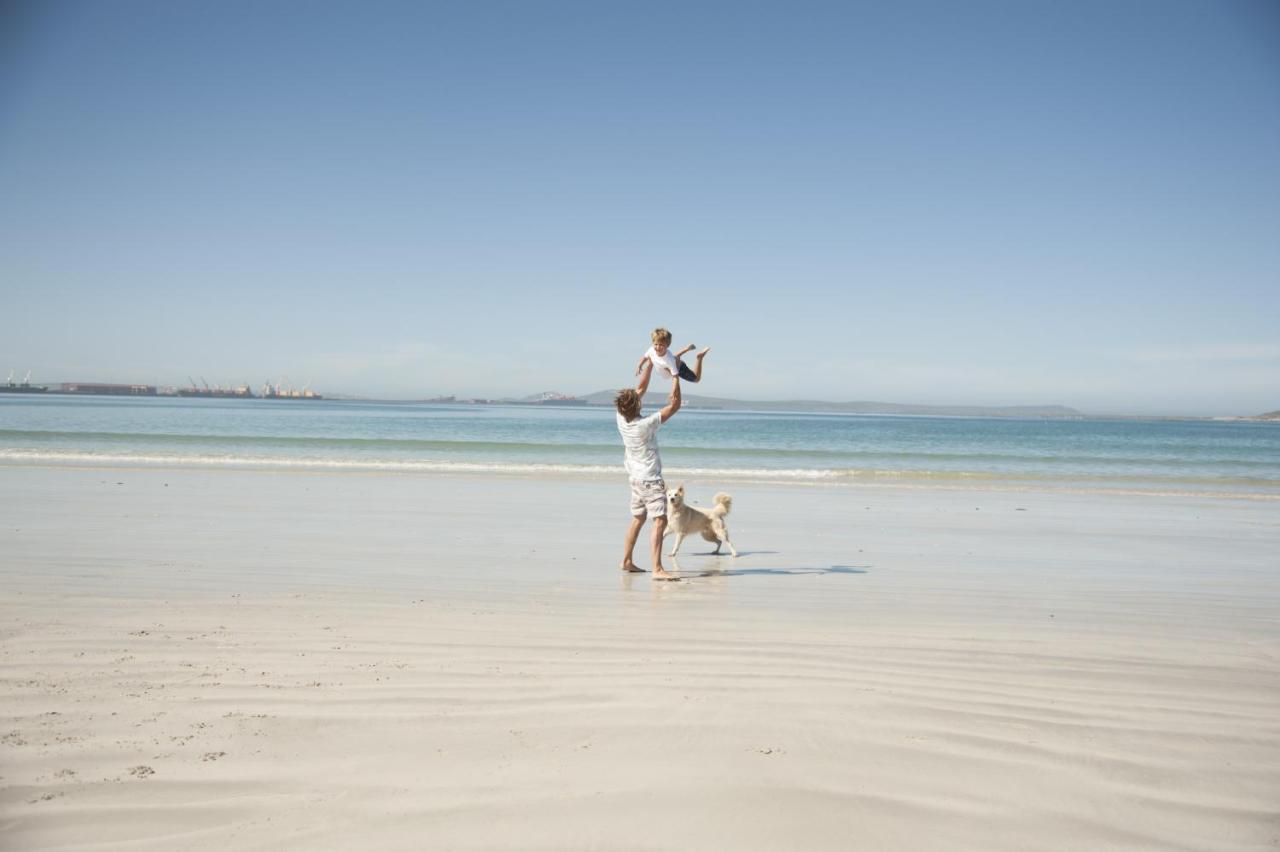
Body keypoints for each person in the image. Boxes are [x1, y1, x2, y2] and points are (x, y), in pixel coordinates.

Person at [616, 361, 682, 580]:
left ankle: (626, 560)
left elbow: (640, 390)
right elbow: (675, 406)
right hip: (650, 481)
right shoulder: (645, 425)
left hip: (634, 479)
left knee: (638, 518)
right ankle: (657, 569)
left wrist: (652, 365)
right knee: (660, 520)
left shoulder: (620, 418)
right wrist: (675, 375)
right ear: (638, 406)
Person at [635, 327, 710, 385]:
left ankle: (699, 358)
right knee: (668, 359)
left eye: (661, 345)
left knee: (696, 379)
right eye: (656, 344)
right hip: (672, 361)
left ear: (667, 345)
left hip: (679, 368)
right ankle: (685, 349)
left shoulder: (669, 360)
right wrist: (639, 366)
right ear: (653, 343)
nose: (657, 347)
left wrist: (674, 390)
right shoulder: (651, 350)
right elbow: (644, 357)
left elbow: (675, 376)